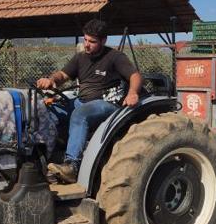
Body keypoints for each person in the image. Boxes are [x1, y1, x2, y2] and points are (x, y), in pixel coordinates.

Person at [36, 19, 142, 183]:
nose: (87, 44)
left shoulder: (115, 57)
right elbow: (63, 75)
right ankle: (42, 157)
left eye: (92, 41)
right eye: (85, 40)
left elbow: (135, 76)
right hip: (82, 101)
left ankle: (72, 166)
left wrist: (133, 92)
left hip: (107, 105)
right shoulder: (80, 58)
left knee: (80, 115)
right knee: (48, 110)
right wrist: (51, 80)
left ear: (103, 40)